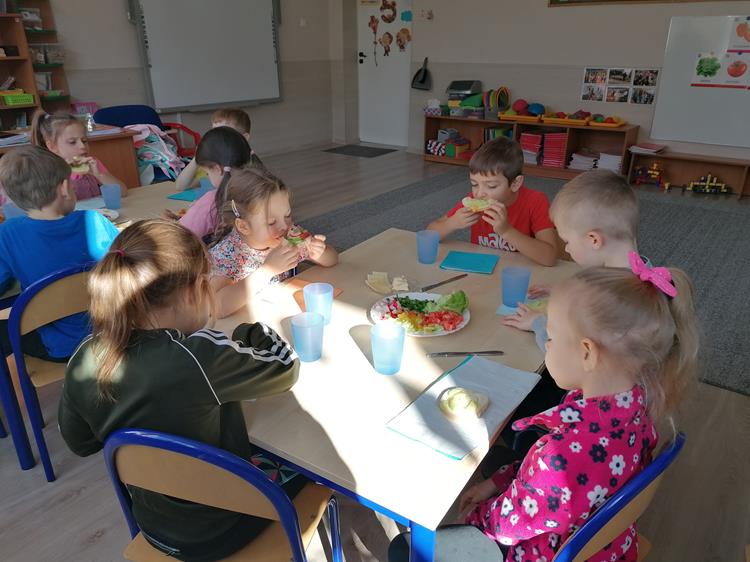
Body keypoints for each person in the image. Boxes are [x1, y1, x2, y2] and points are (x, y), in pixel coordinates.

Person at [390, 260, 699, 562]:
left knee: (404, 549)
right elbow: (549, 483)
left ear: (587, 353)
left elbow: (506, 526)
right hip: (610, 545)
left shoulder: (560, 457)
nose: (546, 344)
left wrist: (476, 517)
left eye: (550, 337)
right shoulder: (638, 405)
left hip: (541, 550)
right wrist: (499, 481)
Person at [58, 219, 303, 562]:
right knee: (307, 468)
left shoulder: (84, 355)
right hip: (223, 527)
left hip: (153, 526)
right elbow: (285, 367)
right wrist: (250, 332)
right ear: (192, 292)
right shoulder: (197, 356)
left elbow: (81, 443)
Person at [0, 146, 119, 360]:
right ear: (64, 188)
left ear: (13, 199)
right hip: (117, 335)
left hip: (62, 349)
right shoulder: (95, 219)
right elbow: (129, 263)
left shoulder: (7, 233)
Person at [502, 170, 641, 350]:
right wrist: (570, 292)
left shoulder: (609, 303)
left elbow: (569, 353)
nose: (566, 249)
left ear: (594, 240)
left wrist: (538, 322)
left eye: (567, 241)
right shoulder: (639, 274)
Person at [209, 167, 338, 318]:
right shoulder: (226, 255)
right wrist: (267, 270)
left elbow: (333, 259)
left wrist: (319, 253)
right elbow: (216, 307)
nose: (284, 226)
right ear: (243, 226)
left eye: (287, 215)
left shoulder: (289, 236)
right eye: (271, 222)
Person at [426, 137, 557, 266]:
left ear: (515, 183)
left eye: (491, 186)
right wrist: (452, 223)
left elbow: (549, 257)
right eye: (474, 184)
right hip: (481, 267)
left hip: (517, 270)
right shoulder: (474, 199)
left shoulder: (536, 201)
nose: (479, 193)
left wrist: (506, 231)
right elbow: (429, 234)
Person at [171, 126, 259, 241]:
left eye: (207, 173)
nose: (208, 176)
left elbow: (179, 237)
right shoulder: (264, 189)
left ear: (218, 169)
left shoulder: (212, 202)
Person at [31, 110, 127, 200]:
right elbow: (52, 206)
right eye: (72, 142)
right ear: (52, 146)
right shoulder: (48, 171)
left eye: (84, 141)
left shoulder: (93, 163)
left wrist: (100, 175)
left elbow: (123, 192)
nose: (82, 146)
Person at [175, 107, 262, 191]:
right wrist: (197, 157)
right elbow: (181, 186)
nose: (216, 140)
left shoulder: (248, 166)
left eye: (224, 135)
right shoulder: (212, 159)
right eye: (214, 133)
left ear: (244, 137)